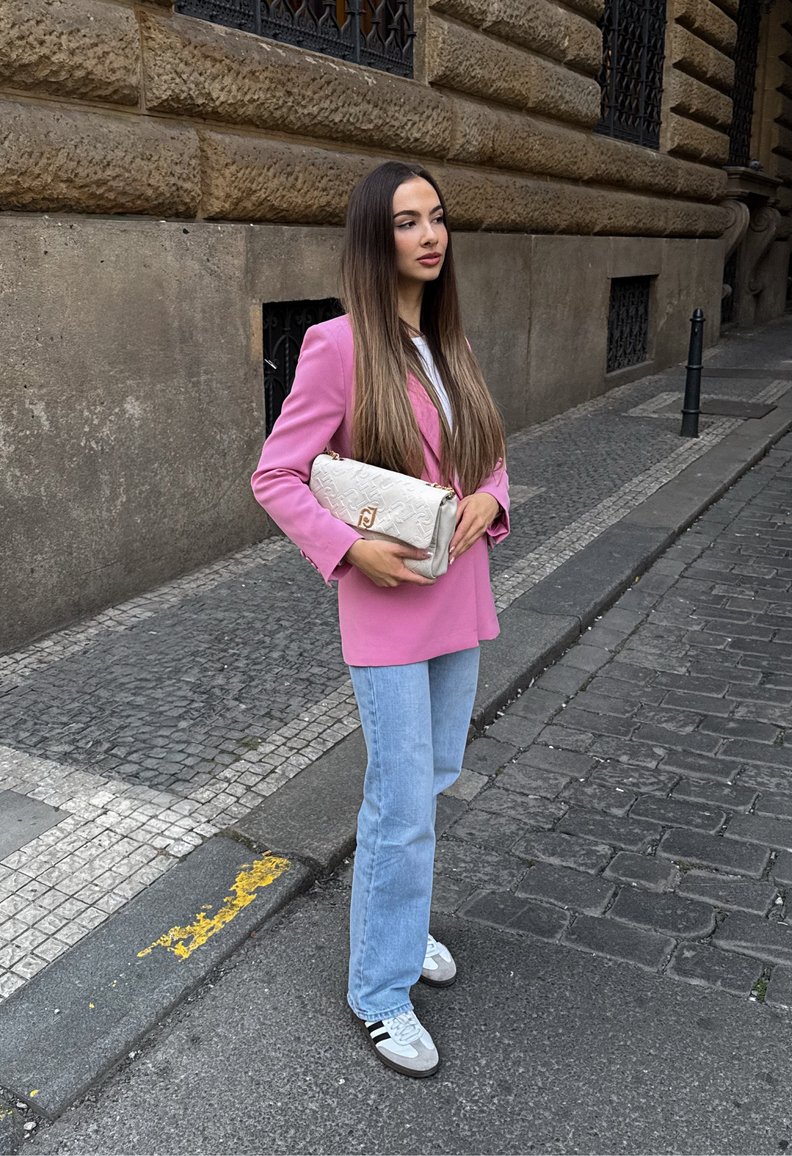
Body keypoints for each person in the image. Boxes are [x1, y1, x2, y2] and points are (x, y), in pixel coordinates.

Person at [251, 161, 509, 1078]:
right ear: (376, 238)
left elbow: (488, 456)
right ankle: (379, 989)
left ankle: (396, 933)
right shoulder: (336, 344)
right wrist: (347, 550)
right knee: (399, 798)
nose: (430, 235)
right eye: (408, 222)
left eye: (438, 218)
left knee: (431, 779)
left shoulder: (449, 342)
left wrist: (489, 501)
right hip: (388, 605)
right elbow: (276, 474)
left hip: (458, 590)